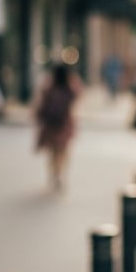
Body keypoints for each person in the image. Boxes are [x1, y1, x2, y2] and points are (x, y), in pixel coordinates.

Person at [34, 63, 81, 191]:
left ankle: (54, 173)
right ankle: (59, 174)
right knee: (63, 151)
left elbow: (41, 104)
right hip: (64, 124)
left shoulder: (49, 87)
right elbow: (78, 94)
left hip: (51, 124)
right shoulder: (69, 88)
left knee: (53, 152)